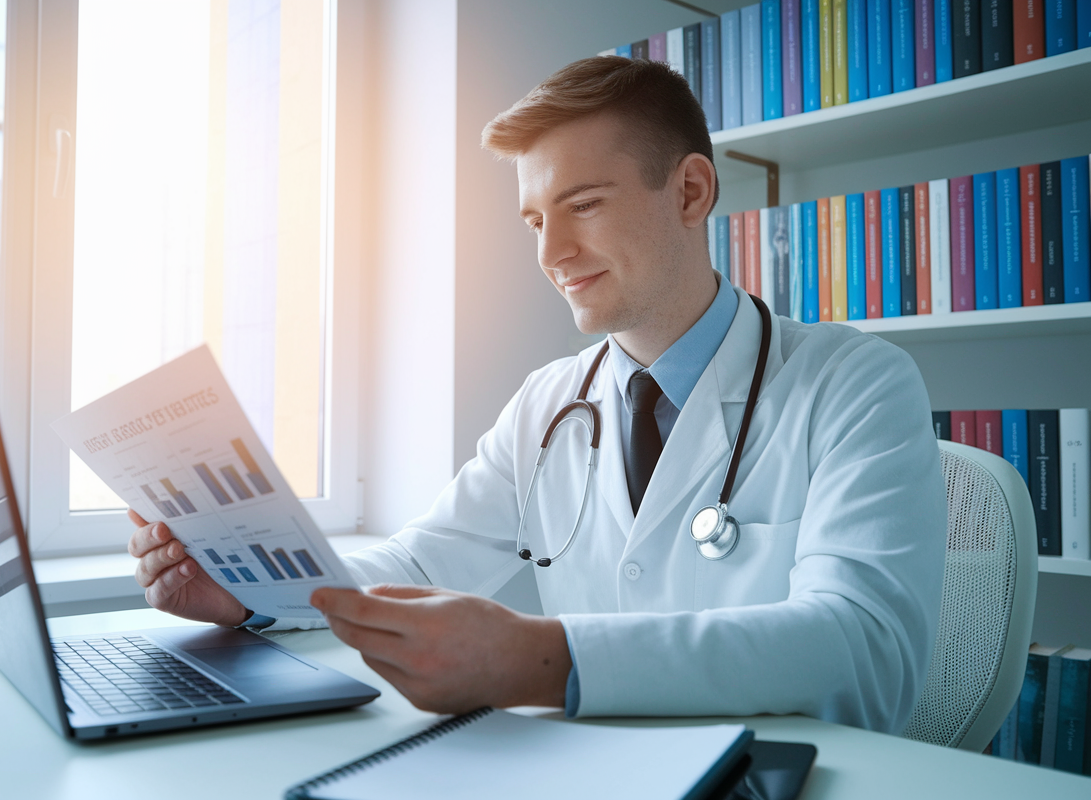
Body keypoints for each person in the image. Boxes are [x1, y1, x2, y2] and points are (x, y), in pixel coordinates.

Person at [125, 56, 947, 734]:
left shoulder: (854, 384)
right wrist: (251, 590)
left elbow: (859, 645)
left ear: (692, 192)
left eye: (583, 205)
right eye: (532, 221)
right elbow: (417, 562)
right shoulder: (549, 404)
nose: (553, 251)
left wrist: (535, 658)